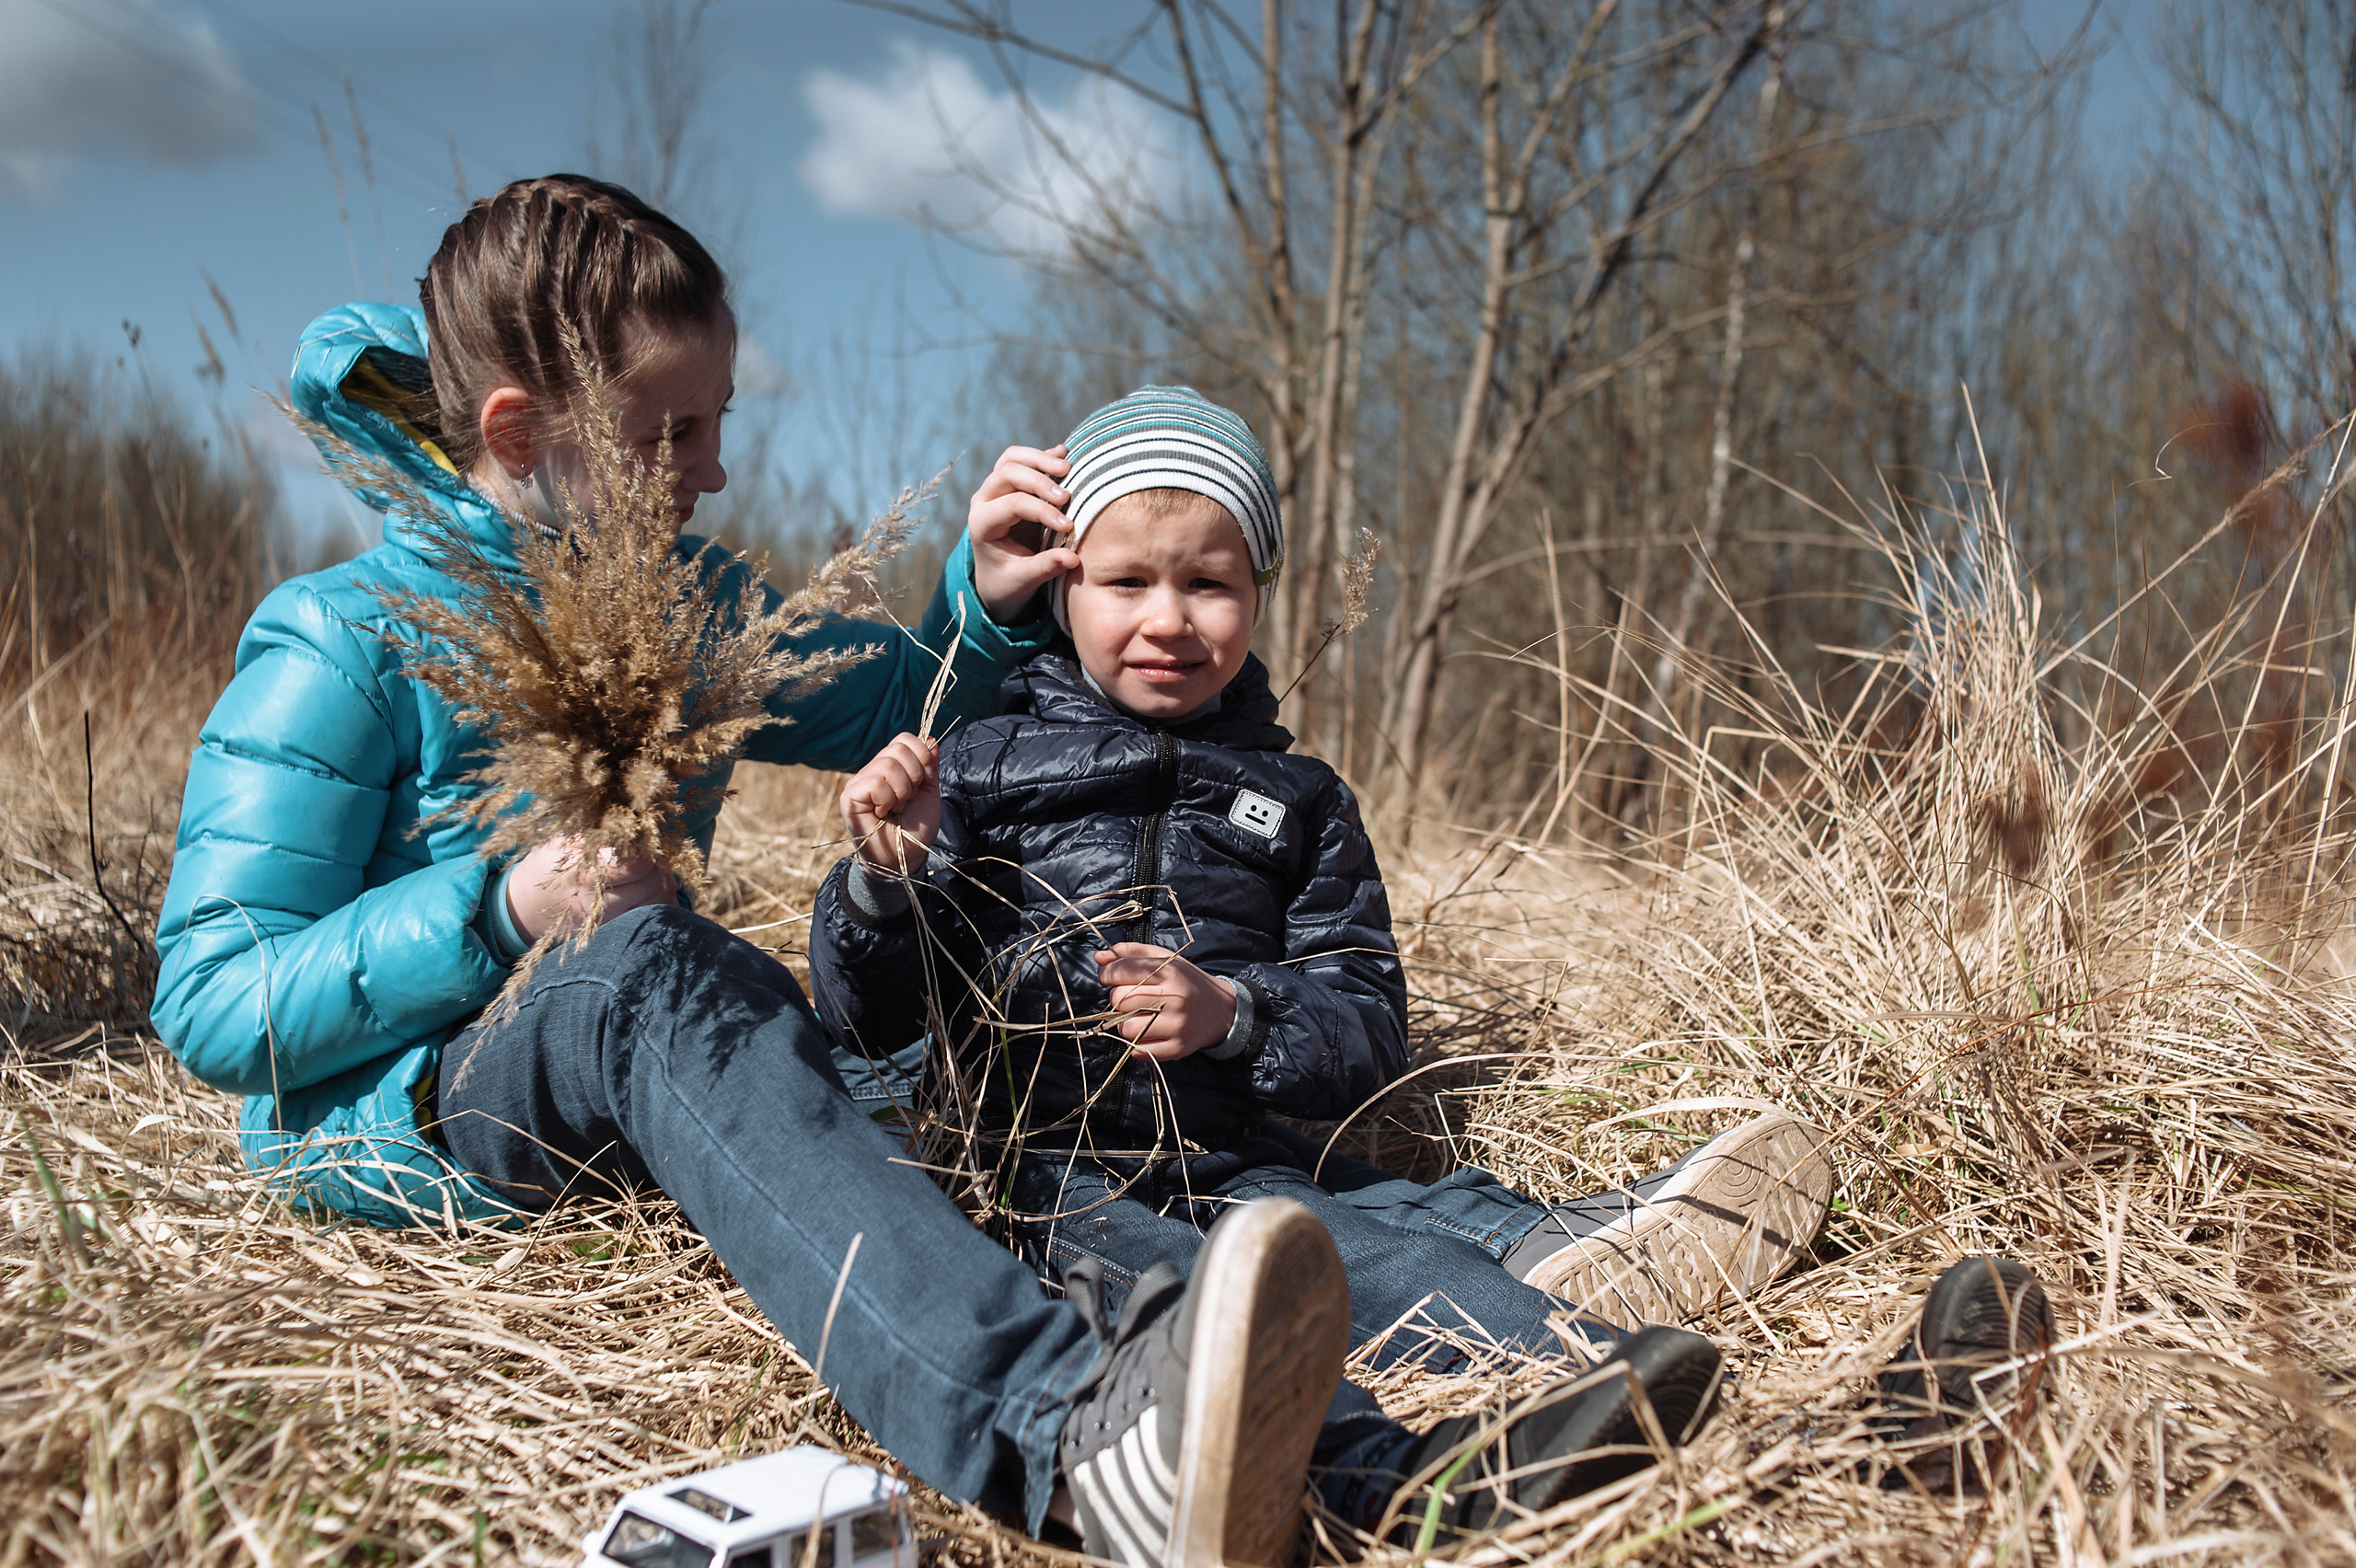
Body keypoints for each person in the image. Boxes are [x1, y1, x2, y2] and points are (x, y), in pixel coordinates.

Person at [146, 175, 1715, 1568]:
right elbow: (213, 999)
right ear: (518, 432)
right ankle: (1066, 1434)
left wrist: (993, 589)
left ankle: (1388, 1463)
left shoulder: (684, 597)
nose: (705, 473)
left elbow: (903, 708)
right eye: (665, 434)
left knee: (984, 1128)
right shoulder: (340, 637)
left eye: (720, 427)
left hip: (639, 1067)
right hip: (419, 1113)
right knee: (649, 970)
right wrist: (500, 907)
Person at [806, 386, 1835, 1553]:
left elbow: (1365, 1026)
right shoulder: (975, 767)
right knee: (1197, 1283)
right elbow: (861, 1016)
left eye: (1210, 584)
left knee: (1369, 1241)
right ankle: (1366, 1448)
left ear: (1258, 596)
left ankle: (1599, 1338)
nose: (1168, 619)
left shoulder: (1300, 800)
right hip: (1044, 1174)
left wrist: (1237, 1015)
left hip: (1238, 1161)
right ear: (1061, 586)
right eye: (1126, 582)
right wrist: (884, 881)